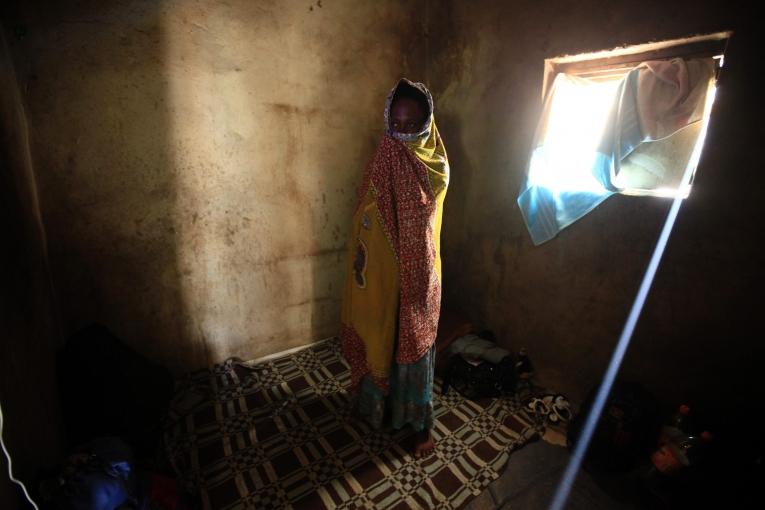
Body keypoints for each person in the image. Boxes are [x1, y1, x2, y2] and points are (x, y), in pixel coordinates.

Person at [340, 78, 449, 458]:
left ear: (426, 123)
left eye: (411, 124)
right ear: (388, 121)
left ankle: (421, 427)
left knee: (415, 346)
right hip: (383, 272)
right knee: (380, 335)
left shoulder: (435, 164)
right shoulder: (383, 156)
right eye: (396, 124)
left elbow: (426, 220)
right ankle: (374, 409)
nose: (402, 132)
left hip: (419, 274)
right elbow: (365, 214)